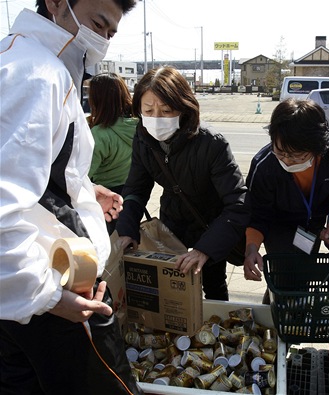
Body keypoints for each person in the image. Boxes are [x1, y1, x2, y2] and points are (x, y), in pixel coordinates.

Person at [0, 1, 143, 394]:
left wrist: (80, 187)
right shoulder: (37, 74)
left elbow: (32, 169)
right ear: (56, 4)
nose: (102, 40)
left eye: (111, 33)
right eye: (98, 23)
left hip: (25, 294)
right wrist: (47, 297)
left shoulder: (21, 57)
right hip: (56, 285)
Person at [116, 66, 249, 301]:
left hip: (210, 223)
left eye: (166, 111)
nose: (156, 119)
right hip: (173, 222)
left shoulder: (212, 143)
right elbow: (136, 188)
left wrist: (205, 249)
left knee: (214, 284)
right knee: (172, 286)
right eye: (148, 110)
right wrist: (126, 230)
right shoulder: (142, 137)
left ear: (183, 108)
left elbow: (238, 203)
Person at [243, 98, 329, 302]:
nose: (287, 160)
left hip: (313, 225)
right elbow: (258, 213)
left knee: (302, 274)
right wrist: (251, 249)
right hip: (279, 225)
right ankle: (276, 316)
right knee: (283, 276)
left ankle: (293, 311)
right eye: (280, 152)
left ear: (318, 148)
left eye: (297, 156)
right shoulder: (264, 166)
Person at [88, 72, 138, 234]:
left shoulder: (99, 133)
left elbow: (84, 174)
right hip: (133, 193)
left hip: (105, 199)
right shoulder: (139, 126)